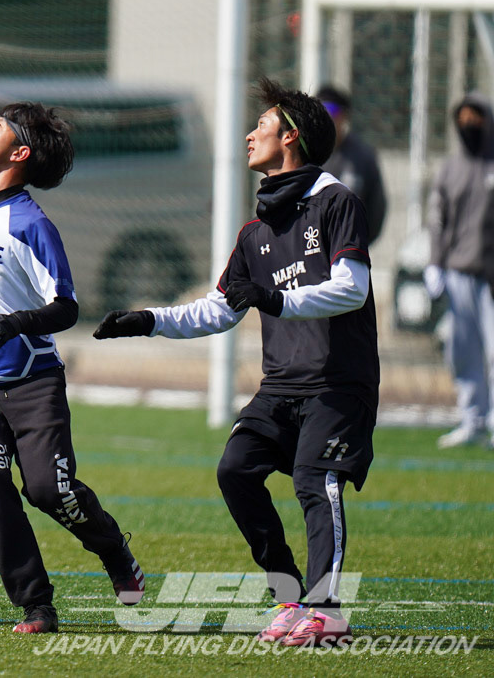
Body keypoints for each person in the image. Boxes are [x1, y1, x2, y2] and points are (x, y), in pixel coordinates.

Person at [95, 78, 376, 649]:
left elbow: (353, 289)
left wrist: (276, 299)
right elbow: (219, 310)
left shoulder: (336, 202)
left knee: (314, 480)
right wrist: (146, 320)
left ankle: (326, 611)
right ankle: (290, 596)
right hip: (282, 386)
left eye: (262, 125)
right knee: (235, 470)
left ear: (290, 137)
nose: (249, 135)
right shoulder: (256, 231)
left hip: (336, 384)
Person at [0, 102, 144, 635]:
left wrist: (16, 322)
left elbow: (66, 308)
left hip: (33, 382)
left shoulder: (32, 225)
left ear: (19, 153)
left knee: (49, 492)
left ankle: (114, 550)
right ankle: (36, 605)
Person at [424, 93, 494, 450]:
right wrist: (435, 262)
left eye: (476, 118)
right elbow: (438, 220)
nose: (470, 124)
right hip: (459, 273)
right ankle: (472, 419)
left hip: (491, 276)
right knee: (463, 350)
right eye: (463, 118)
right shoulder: (449, 169)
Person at [316, 85, 386, 246]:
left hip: (348, 247)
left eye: (332, 110)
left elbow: (377, 207)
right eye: (321, 109)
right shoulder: (304, 153)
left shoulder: (362, 156)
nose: (327, 116)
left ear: (344, 116)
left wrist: (357, 243)